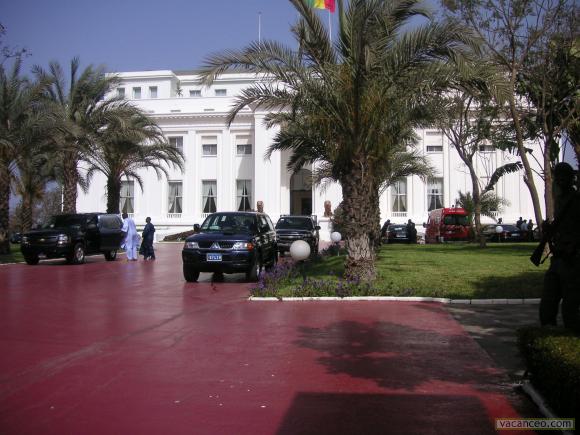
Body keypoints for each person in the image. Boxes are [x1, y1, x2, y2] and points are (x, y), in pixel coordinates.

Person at [539, 162, 580, 333]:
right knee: (548, 300)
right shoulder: (560, 200)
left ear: (572, 178)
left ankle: (572, 334)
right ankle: (548, 331)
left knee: (570, 303)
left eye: (564, 176)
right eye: (558, 176)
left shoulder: (576, 200)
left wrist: (573, 246)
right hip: (558, 257)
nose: (560, 179)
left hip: (572, 258)